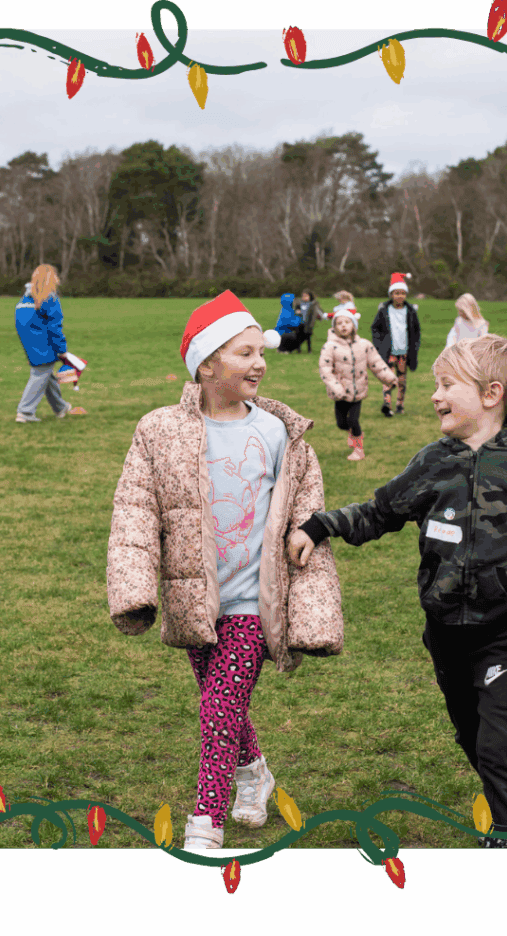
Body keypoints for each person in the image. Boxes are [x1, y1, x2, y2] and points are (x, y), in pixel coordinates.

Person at [286, 333, 507, 848]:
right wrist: (319, 525)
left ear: (491, 394)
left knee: (499, 734)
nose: (434, 395)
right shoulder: (433, 461)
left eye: (446, 385)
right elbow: (380, 512)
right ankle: (504, 791)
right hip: (445, 629)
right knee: (470, 730)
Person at [106, 290, 343, 850]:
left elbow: (305, 509)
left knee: (219, 707)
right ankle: (255, 773)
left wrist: (307, 559)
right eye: (244, 353)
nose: (259, 362)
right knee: (222, 702)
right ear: (207, 366)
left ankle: (205, 819)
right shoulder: (159, 431)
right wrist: (134, 588)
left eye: (261, 351)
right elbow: (135, 512)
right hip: (196, 599)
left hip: (253, 601)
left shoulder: (279, 432)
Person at [318, 302, 396, 461]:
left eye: (347, 322)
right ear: (334, 327)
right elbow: (325, 369)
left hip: (358, 391)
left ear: (354, 325)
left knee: (354, 420)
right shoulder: (330, 347)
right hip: (340, 392)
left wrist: (389, 378)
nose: (343, 326)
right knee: (341, 423)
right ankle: (354, 433)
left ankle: (358, 449)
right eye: (339, 323)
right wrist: (335, 387)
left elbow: (377, 364)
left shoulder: (364, 345)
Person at [13, 264, 86, 423]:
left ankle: (60, 408)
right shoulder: (50, 298)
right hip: (44, 344)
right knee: (39, 375)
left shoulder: (25, 299)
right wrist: (61, 350)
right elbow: (55, 327)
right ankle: (25, 411)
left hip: (30, 343)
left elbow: (21, 324)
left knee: (46, 375)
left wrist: (31, 350)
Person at [371, 272, 421, 417]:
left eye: (402, 293)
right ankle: (387, 404)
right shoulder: (384, 311)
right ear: (391, 294)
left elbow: (416, 331)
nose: (400, 296)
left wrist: (414, 347)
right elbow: (375, 328)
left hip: (404, 352)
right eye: (396, 293)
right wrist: (379, 345)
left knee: (401, 379)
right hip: (389, 352)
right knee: (388, 378)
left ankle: (400, 404)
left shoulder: (411, 311)